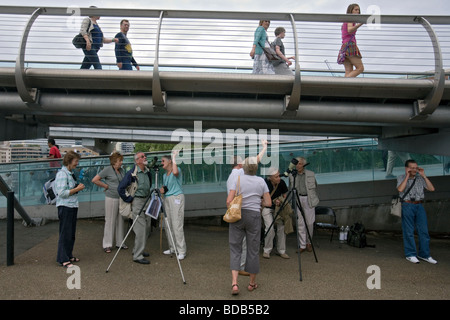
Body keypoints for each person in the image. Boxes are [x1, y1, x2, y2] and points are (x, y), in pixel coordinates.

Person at [227, 157, 272, 296]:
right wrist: (260, 203)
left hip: (238, 216)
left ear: (243, 168)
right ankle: (252, 284)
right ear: (256, 168)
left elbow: (229, 201)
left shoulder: (238, 179)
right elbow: (269, 202)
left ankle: (235, 283)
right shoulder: (261, 181)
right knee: (253, 250)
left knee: (236, 248)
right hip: (254, 216)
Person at [397, 159, 437, 264]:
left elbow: (431, 188)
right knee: (408, 231)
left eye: (416, 168)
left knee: (423, 231)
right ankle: (410, 254)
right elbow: (400, 189)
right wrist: (407, 176)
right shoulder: (401, 177)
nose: (415, 170)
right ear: (407, 168)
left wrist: (423, 175)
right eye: (412, 168)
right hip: (407, 204)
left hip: (419, 205)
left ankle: (424, 254)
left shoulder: (420, 178)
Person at [118, 152, 152, 264]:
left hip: (147, 200)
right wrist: (129, 199)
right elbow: (121, 188)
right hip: (137, 201)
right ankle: (137, 256)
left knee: (147, 227)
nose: (145, 158)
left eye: (145, 156)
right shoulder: (131, 173)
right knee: (140, 228)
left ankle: (137, 249)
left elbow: (149, 184)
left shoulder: (147, 172)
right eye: (142, 157)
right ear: (137, 160)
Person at [54, 151, 85, 268]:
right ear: (69, 161)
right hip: (65, 206)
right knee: (65, 233)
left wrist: (76, 189)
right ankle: (63, 258)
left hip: (71, 205)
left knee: (70, 233)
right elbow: (61, 193)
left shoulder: (69, 173)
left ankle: (68, 255)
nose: (77, 163)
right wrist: (77, 189)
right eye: (76, 161)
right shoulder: (62, 174)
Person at [92, 152, 126, 253]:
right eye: (120, 161)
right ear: (115, 161)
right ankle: (107, 244)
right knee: (110, 220)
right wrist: (105, 186)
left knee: (120, 220)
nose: (121, 162)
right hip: (111, 197)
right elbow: (95, 180)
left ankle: (120, 242)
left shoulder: (122, 170)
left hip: (121, 198)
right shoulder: (108, 169)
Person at [288, 157, 319, 253]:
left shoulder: (310, 174)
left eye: (300, 163)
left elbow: (315, 186)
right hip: (298, 199)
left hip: (308, 199)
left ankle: (308, 242)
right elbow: (290, 187)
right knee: (300, 223)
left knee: (309, 223)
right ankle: (302, 245)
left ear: (304, 164)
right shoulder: (292, 175)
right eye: (296, 164)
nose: (298, 165)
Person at [160, 151, 186, 260]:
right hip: (167, 199)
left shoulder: (177, 169)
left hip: (177, 198)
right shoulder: (164, 175)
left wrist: (174, 157)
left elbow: (175, 172)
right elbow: (165, 188)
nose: (161, 163)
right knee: (168, 223)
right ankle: (172, 247)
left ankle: (181, 250)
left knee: (177, 223)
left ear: (169, 161)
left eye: (163, 161)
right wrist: (161, 190)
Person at [262, 167, 290, 259]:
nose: (279, 178)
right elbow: (260, 198)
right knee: (269, 228)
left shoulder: (281, 183)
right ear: (270, 177)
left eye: (279, 176)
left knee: (281, 228)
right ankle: (267, 250)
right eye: (276, 177)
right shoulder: (264, 183)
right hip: (267, 208)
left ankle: (281, 250)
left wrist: (281, 200)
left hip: (279, 208)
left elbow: (286, 196)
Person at [341, 3, 364, 77]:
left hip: (344, 46)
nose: (358, 12)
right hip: (350, 45)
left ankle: (343, 86)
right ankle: (342, 83)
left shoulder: (345, 21)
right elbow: (350, 30)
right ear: (351, 11)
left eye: (358, 10)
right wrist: (360, 24)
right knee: (360, 68)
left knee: (348, 72)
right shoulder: (350, 19)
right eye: (356, 10)